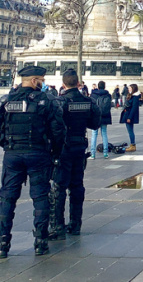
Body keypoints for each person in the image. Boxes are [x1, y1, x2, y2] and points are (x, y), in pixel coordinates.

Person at [0, 66, 66, 258]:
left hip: (13, 155)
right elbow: (58, 130)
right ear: (34, 81)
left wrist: (8, 144)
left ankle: (2, 244)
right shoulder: (46, 100)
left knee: (7, 198)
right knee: (40, 198)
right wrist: (54, 153)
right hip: (38, 154)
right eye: (41, 79)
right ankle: (40, 242)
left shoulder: (6, 100)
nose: (43, 83)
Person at [49, 69, 101, 240]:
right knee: (77, 185)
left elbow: (53, 127)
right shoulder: (88, 101)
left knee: (59, 186)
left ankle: (57, 225)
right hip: (80, 146)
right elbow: (95, 124)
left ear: (63, 84)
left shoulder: (59, 102)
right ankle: (76, 224)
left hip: (63, 148)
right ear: (78, 84)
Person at [90, 81, 111, 159]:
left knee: (94, 134)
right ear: (104, 86)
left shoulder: (93, 95)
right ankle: (105, 153)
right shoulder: (108, 95)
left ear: (98, 87)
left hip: (96, 116)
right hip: (105, 116)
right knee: (104, 133)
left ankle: (93, 153)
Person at [122, 84, 142, 151]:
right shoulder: (131, 95)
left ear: (133, 89)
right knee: (130, 130)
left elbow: (134, 108)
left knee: (130, 131)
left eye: (129, 88)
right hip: (127, 114)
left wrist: (129, 117)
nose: (128, 89)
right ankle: (132, 144)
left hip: (129, 115)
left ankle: (133, 145)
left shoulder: (135, 97)